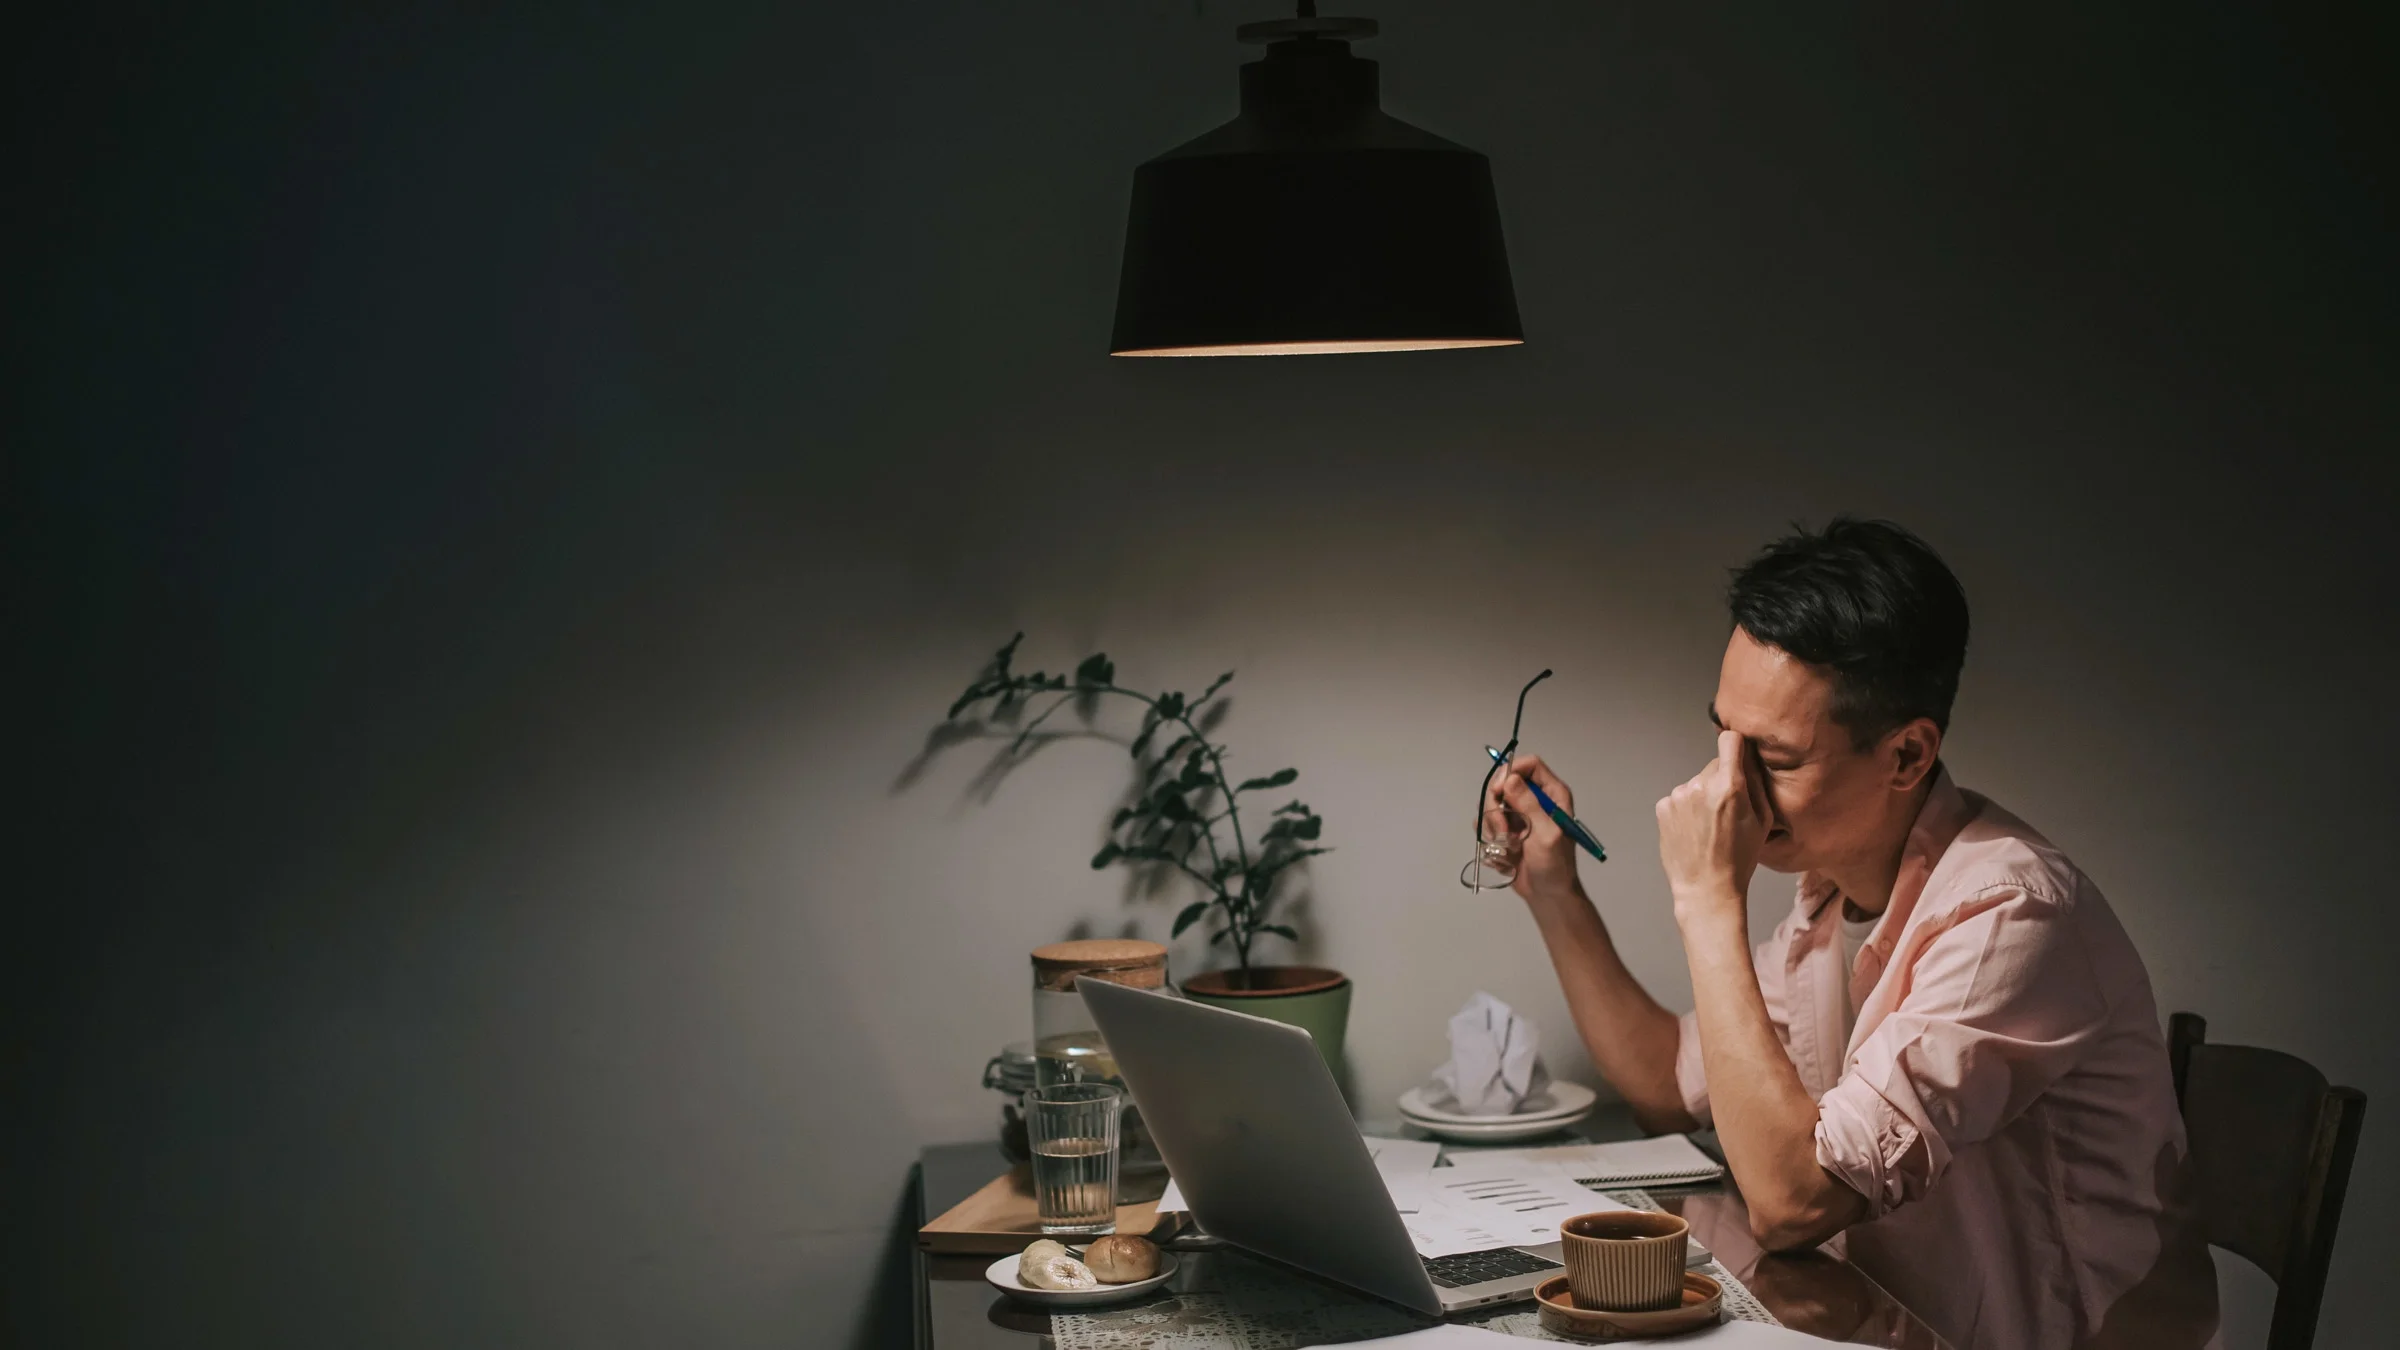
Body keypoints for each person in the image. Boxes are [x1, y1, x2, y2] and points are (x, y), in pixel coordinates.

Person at [1492, 518, 2216, 1350]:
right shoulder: (1834, 899)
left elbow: (1792, 1204)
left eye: (1773, 758)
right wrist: (1553, 890)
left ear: (1907, 755)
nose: (1726, 786)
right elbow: (1669, 1082)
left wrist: (1705, 899)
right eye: (1722, 737)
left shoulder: (2010, 914)